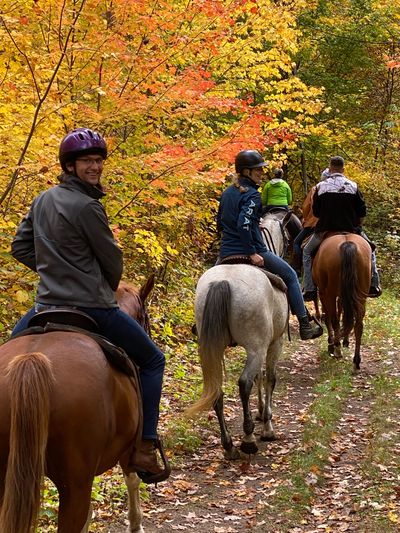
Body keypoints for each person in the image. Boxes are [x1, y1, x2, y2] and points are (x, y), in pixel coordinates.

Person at [11, 127, 170, 484]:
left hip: (44, 307)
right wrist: (90, 278)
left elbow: (20, 248)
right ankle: (144, 447)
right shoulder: (88, 206)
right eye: (87, 161)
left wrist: (55, 270)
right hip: (93, 307)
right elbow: (112, 264)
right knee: (153, 360)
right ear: (70, 166)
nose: (95, 167)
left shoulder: (42, 199)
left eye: (98, 161)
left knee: (8, 353)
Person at [217, 149, 323, 341]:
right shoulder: (252, 195)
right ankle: (304, 325)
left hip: (226, 251)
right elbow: (243, 224)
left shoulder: (226, 193)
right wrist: (252, 252)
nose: (261, 173)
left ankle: (200, 325)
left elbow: (220, 223)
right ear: (247, 172)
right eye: (257, 170)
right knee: (290, 275)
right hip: (254, 249)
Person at [302, 156, 382, 301]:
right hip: (351, 229)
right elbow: (362, 212)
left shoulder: (320, 187)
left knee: (306, 252)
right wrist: (357, 225)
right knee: (371, 250)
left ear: (330, 168)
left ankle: (309, 288)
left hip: (325, 230)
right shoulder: (353, 186)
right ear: (343, 169)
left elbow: (316, 212)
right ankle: (374, 284)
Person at [292, 168, 330, 274]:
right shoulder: (341, 188)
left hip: (314, 223)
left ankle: (297, 268)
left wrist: (306, 219)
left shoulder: (315, 189)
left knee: (297, 242)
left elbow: (306, 206)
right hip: (336, 223)